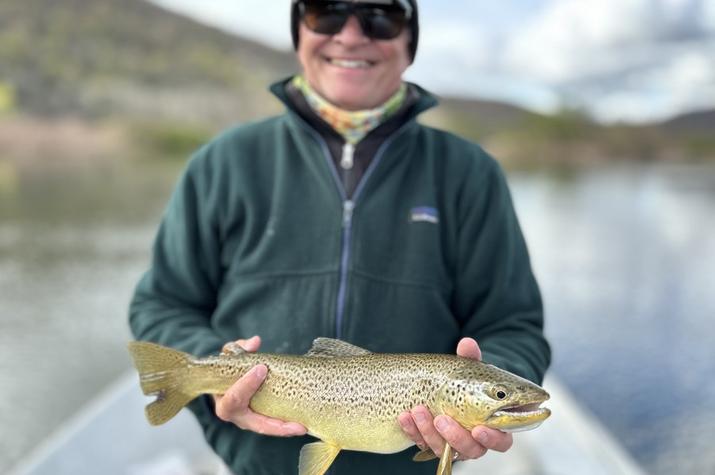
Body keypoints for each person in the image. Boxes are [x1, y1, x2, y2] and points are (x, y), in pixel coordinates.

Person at [129, 0, 551, 473]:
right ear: (298, 34)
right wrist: (209, 387)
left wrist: (488, 398)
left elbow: (514, 326)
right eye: (326, 13)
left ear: (408, 42)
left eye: (380, 16)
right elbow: (161, 306)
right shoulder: (223, 163)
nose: (351, 35)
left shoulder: (470, 174)